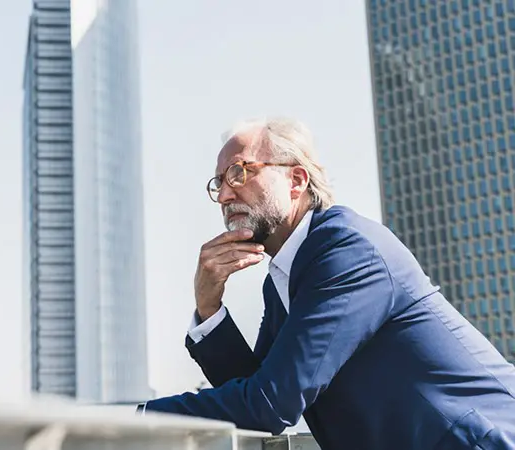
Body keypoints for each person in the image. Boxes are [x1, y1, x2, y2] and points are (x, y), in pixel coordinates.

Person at [141, 118, 515, 450]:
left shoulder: (347, 250)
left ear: (296, 180)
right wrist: (209, 308)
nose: (224, 195)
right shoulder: (283, 277)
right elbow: (256, 389)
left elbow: (269, 403)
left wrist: (138, 418)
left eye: (239, 172)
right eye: (219, 183)